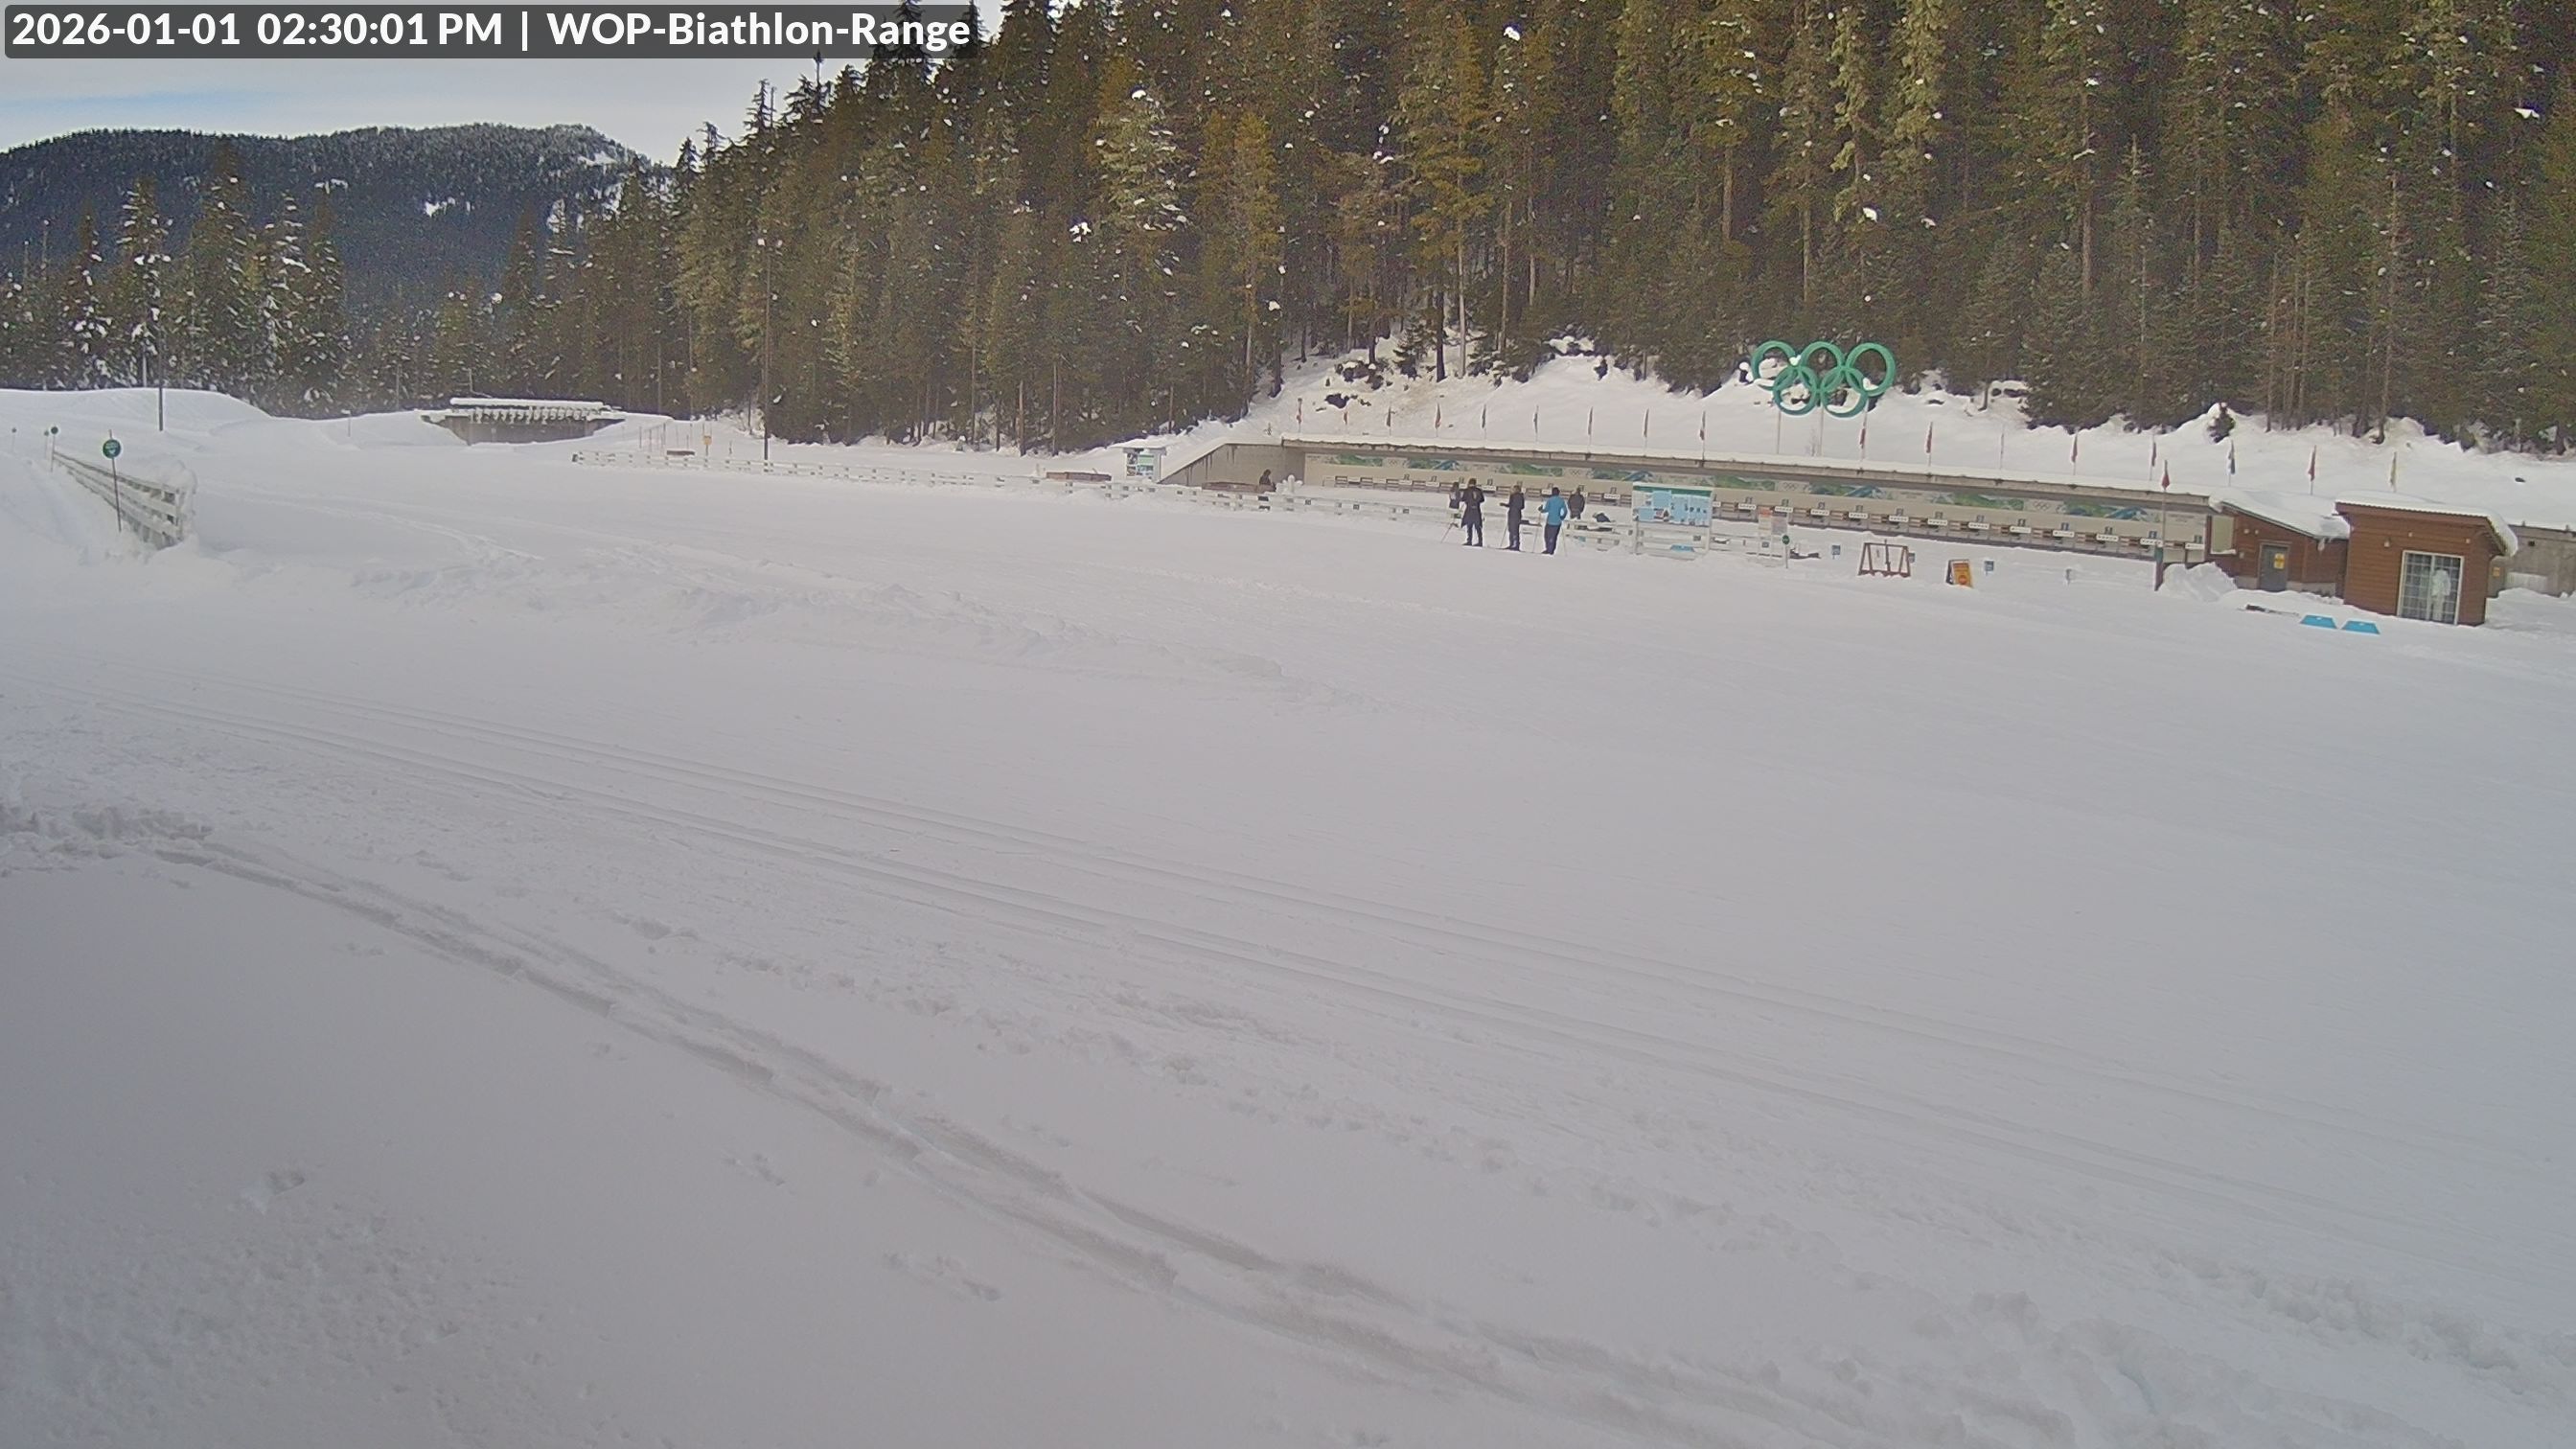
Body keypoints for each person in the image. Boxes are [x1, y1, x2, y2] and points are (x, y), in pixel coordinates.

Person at [1460, 478, 1485, 545]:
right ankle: (1480, 541)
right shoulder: (1479, 490)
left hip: (1469, 509)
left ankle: (1469, 540)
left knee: (1469, 525)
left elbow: (1463, 499)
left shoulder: (1467, 490)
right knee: (1477, 526)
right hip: (1477, 509)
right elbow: (1482, 500)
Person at [1543, 486, 1567, 554]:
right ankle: (1552, 549)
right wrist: (1562, 517)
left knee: (1547, 536)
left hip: (1550, 521)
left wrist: (1541, 510)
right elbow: (1565, 510)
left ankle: (1548, 549)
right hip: (1557, 522)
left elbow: (1546, 509)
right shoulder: (1561, 501)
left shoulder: (1550, 500)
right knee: (1554, 537)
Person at [1506, 485, 1528, 550]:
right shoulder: (1521, 496)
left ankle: (1513, 544)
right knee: (1514, 530)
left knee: (1512, 530)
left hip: (1513, 514)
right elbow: (1522, 506)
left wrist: (1506, 505)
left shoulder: (1513, 496)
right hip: (1517, 514)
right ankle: (1515, 544)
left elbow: (1510, 504)